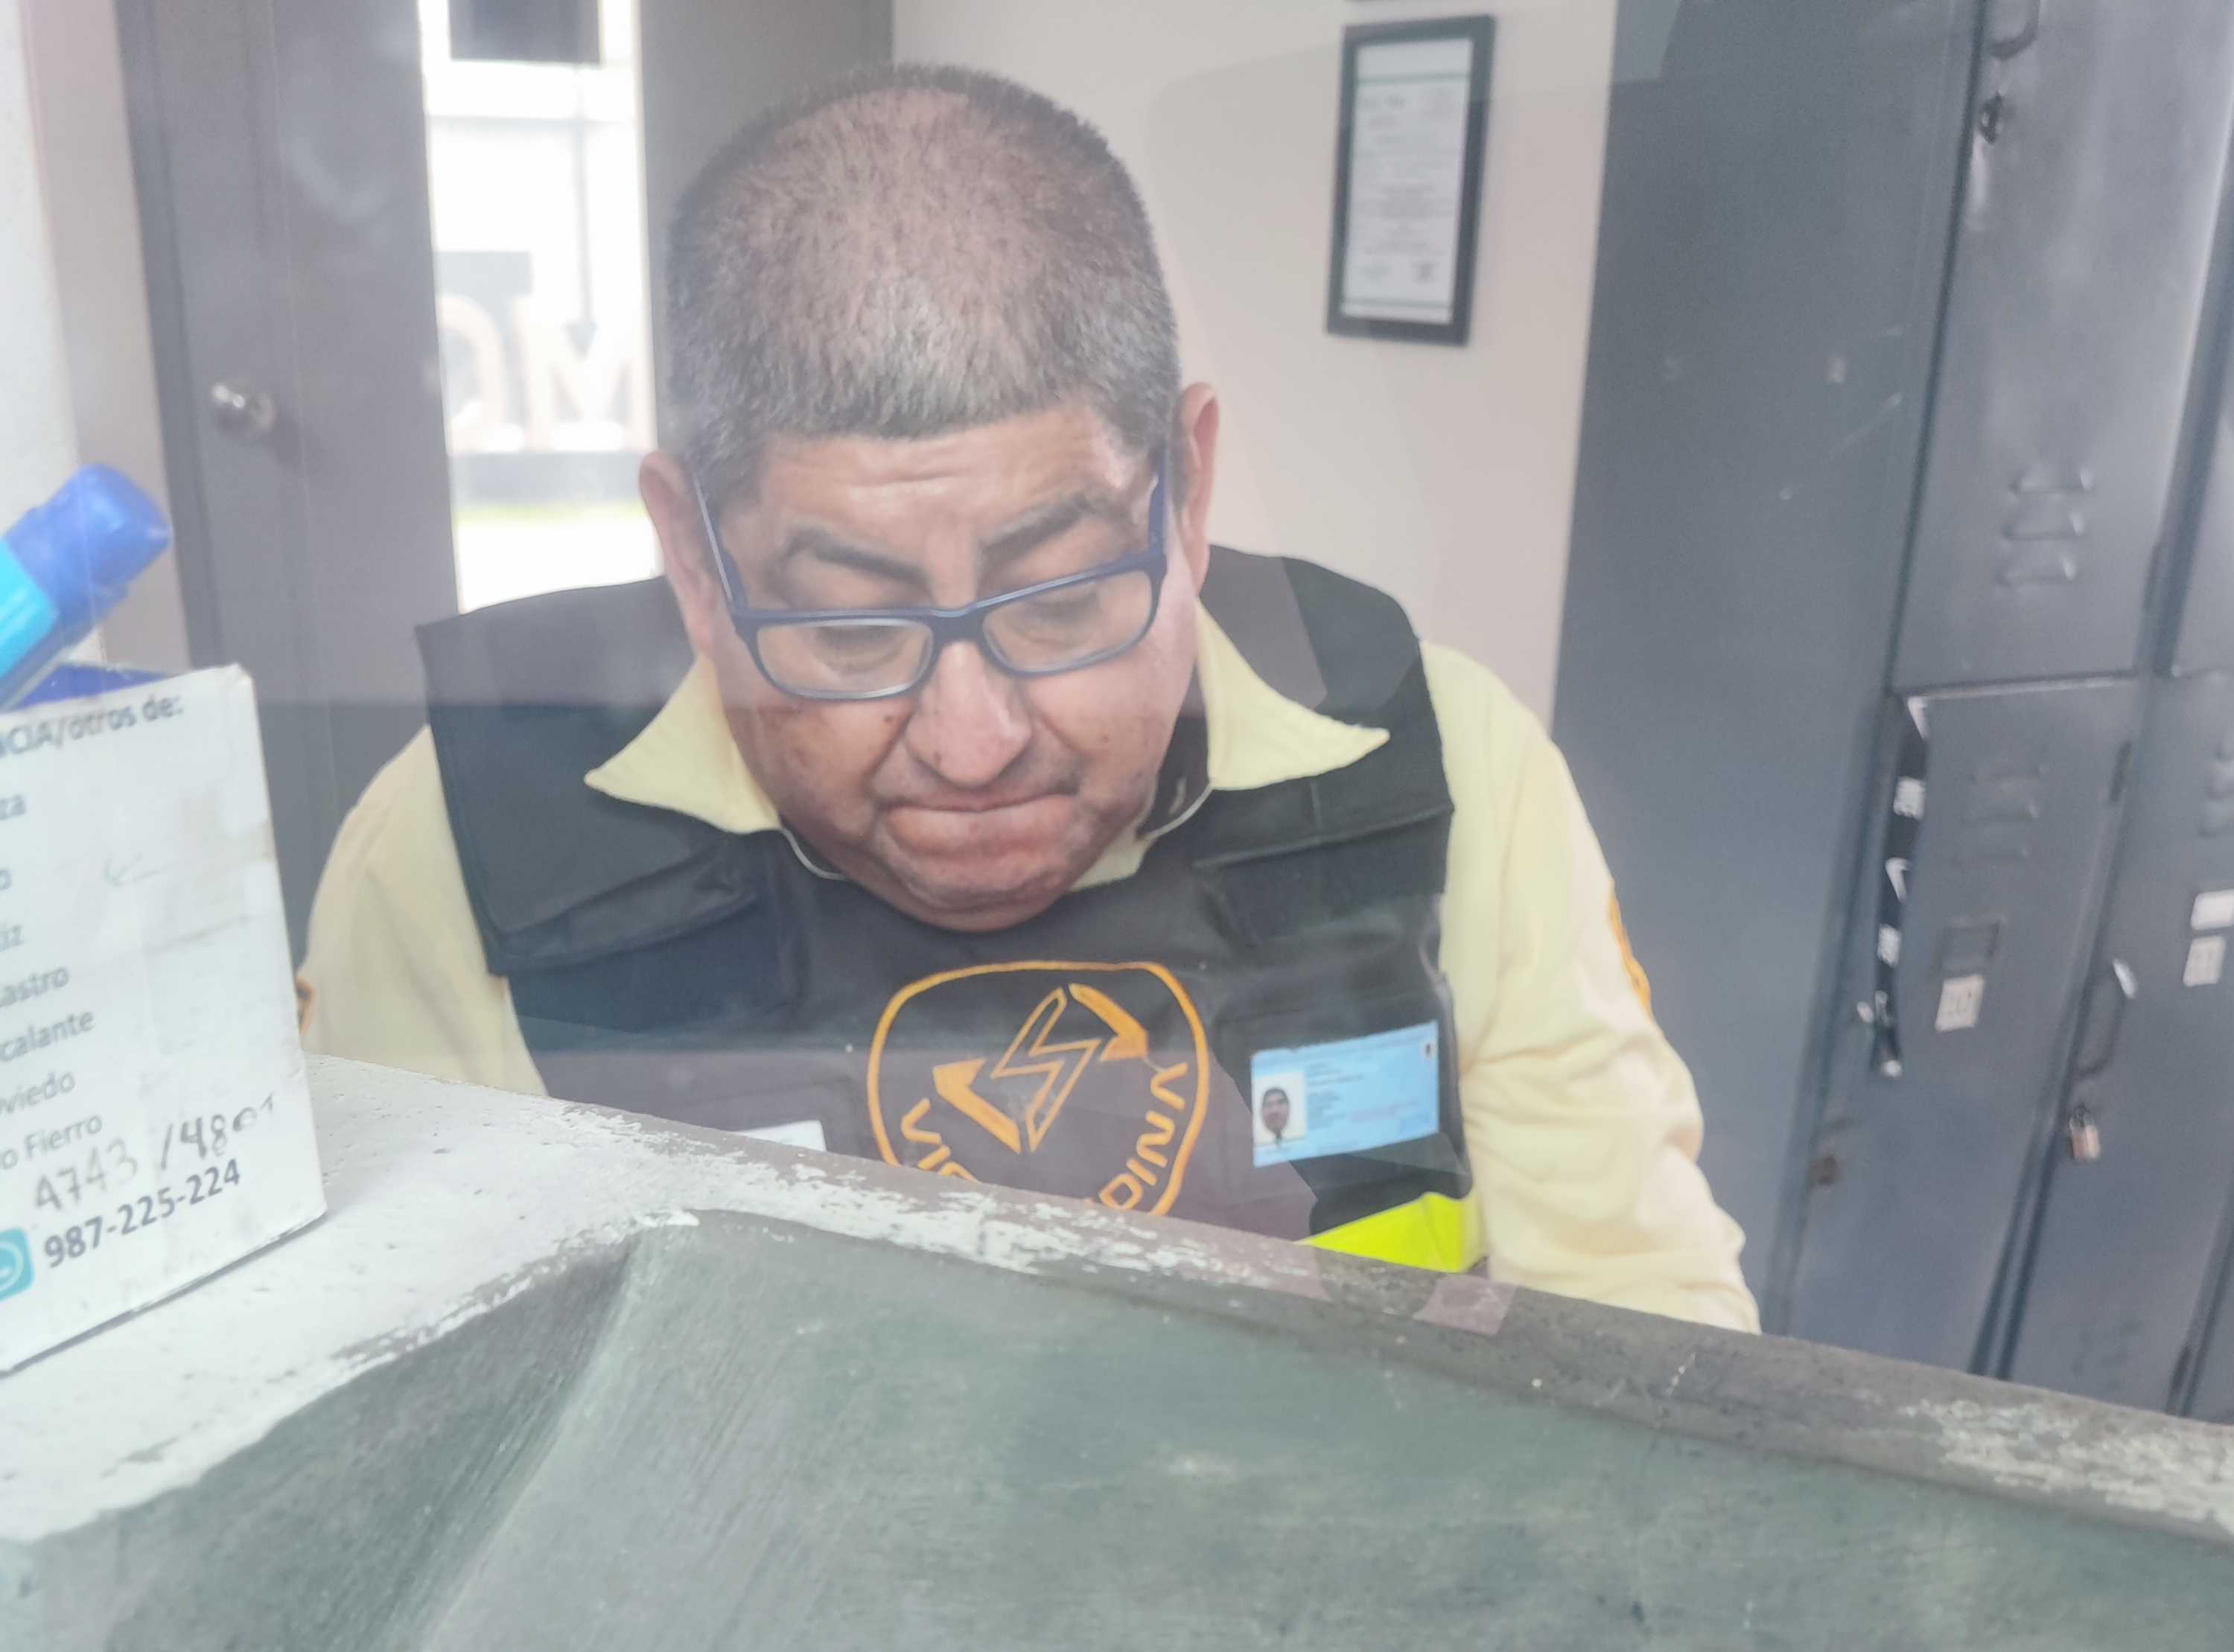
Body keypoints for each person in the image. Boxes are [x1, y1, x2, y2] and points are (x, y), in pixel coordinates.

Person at [302, 64, 1757, 1330]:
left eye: (1061, 601)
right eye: (849, 628)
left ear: (1188, 493)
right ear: (691, 557)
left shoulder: (1429, 760)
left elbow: (1645, 1339)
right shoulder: (466, 855)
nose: (973, 742)